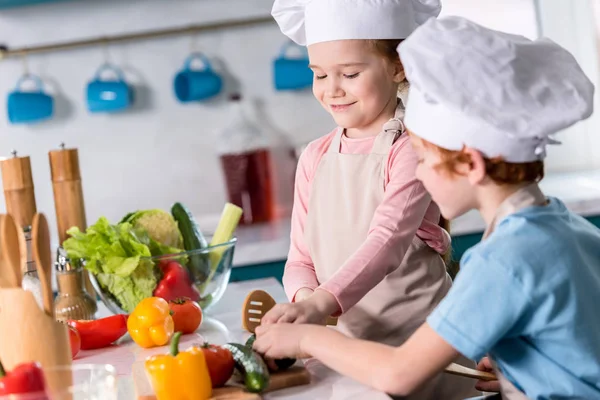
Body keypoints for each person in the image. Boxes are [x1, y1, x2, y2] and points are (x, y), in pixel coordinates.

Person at [254, 16, 600, 400]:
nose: (418, 173)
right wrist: (525, 369)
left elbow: (398, 373)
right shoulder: (568, 227)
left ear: (471, 164)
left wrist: (309, 337)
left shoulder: (501, 259)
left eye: (423, 159)